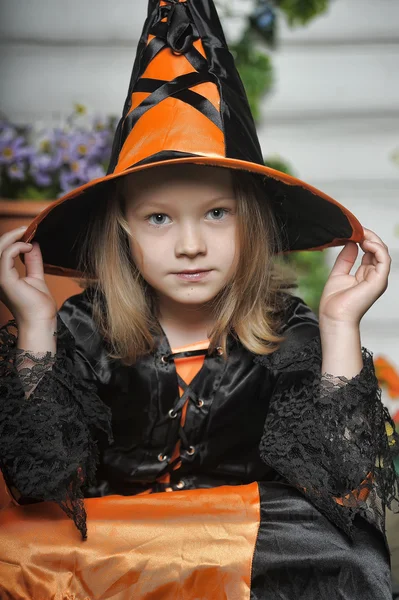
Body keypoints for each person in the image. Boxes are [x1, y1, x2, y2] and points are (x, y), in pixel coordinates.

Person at [0, 0, 398, 598]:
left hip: (246, 540)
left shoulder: (286, 331)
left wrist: (340, 323)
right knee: (16, 549)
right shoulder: (83, 329)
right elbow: (39, 480)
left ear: (254, 223)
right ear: (123, 231)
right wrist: (34, 323)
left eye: (217, 214)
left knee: (346, 556)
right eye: (159, 217)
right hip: (116, 542)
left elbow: (340, 478)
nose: (190, 245)